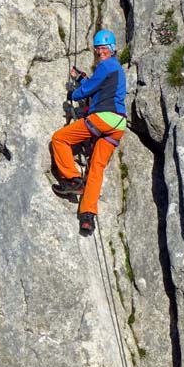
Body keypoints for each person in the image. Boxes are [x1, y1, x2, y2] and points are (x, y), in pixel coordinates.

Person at [51, 29, 127, 235]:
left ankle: (73, 179)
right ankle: (87, 216)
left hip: (103, 119)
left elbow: (87, 91)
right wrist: (82, 79)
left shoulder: (106, 65)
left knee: (59, 139)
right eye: (97, 49)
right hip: (117, 125)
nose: (100, 52)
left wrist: (73, 92)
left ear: (111, 50)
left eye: (103, 48)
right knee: (96, 168)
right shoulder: (116, 69)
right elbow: (96, 86)